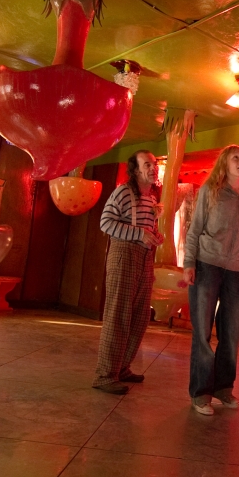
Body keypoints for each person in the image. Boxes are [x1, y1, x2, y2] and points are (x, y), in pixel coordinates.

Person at [183, 145, 239, 415]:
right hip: (207, 265)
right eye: (235, 158)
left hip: (235, 271)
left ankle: (223, 388)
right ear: (224, 164)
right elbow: (195, 229)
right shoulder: (210, 191)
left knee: (231, 332)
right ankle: (201, 393)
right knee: (203, 332)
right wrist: (189, 263)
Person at [93, 150, 163, 395]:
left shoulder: (151, 197)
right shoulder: (123, 192)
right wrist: (139, 234)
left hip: (144, 257)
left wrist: (154, 235)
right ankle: (105, 375)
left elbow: (145, 228)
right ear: (135, 170)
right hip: (123, 254)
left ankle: (122, 368)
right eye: (147, 164)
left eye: (154, 164)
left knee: (140, 316)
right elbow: (105, 222)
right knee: (119, 315)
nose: (153, 168)